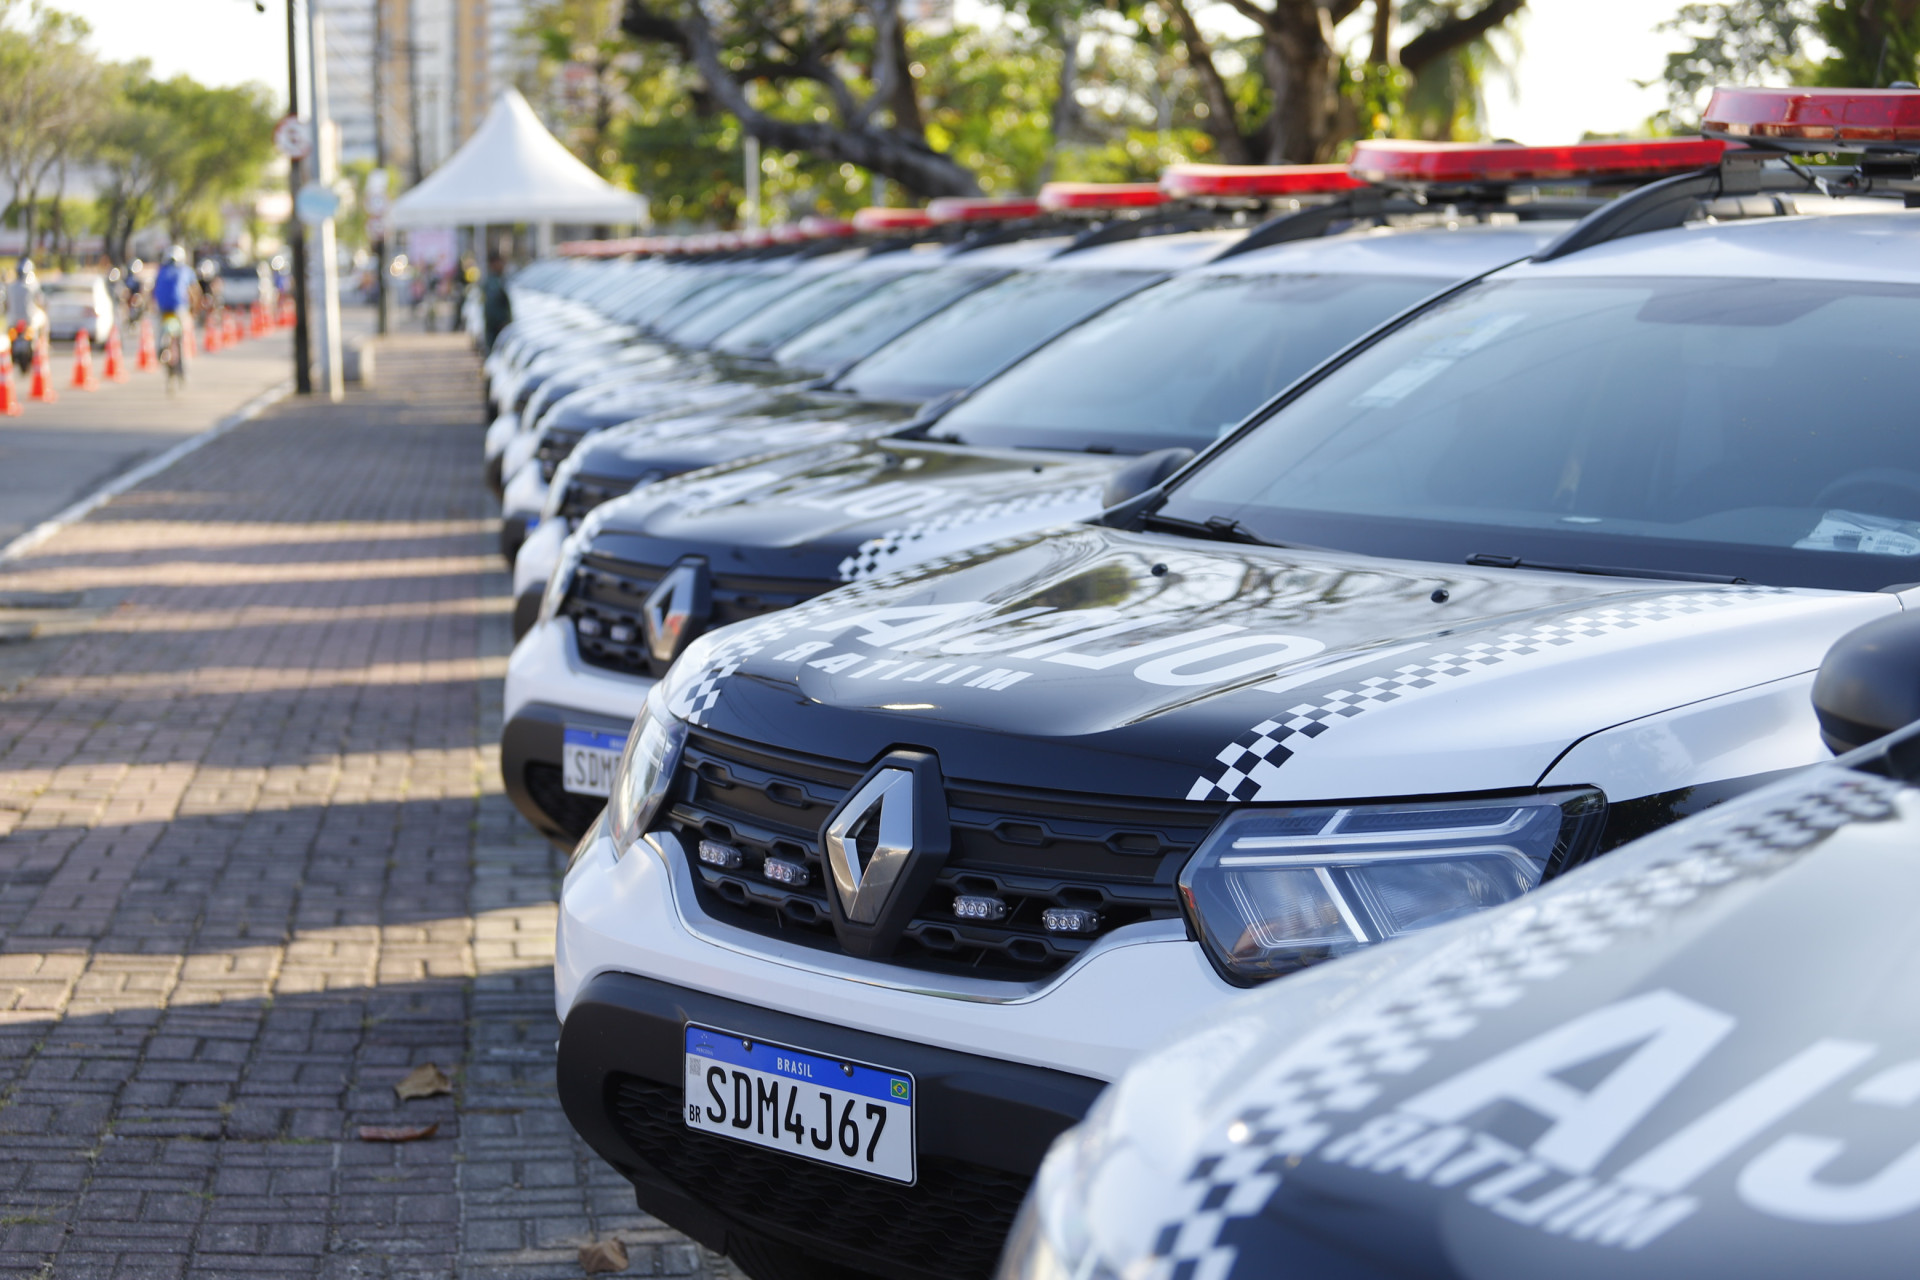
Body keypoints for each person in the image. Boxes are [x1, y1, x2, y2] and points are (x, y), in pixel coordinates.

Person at [152, 247, 197, 383]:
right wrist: (194, 310)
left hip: (163, 309)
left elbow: (152, 291)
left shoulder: (160, 270)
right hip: (179, 309)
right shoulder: (186, 270)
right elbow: (195, 292)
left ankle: (160, 348)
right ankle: (182, 370)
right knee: (181, 339)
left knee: (160, 331)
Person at [6, 259, 45, 346]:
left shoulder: (11, 287)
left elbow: (6, 304)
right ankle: (43, 343)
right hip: (29, 319)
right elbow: (40, 301)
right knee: (43, 318)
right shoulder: (33, 285)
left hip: (13, 320)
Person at [481, 253, 512, 353]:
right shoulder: (493, 283)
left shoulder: (499, 280)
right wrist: (502, 321)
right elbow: (491, 306)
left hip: (497, 326)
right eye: (500, 262)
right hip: (496, 327)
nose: (502, 265)